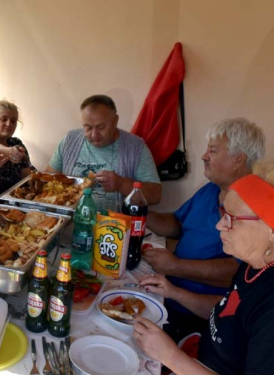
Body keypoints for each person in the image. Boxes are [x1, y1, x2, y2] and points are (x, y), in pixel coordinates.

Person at [135, 160, 274, 375]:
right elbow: (228, 312)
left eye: (232, 219)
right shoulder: (252, 265)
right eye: (223, 214)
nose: (220, 225)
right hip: (199, 352)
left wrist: (170, 356)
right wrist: (174, 292)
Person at [144, 118, 265, 340]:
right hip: (168, 294)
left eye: (213, 151)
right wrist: (142, 213)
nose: (204, 156)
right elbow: (178, 224)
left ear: (238, 159)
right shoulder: (211, 189)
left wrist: (176, 266)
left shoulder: (253, 208)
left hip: (202, 317)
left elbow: (238, 273)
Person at [46, 94, 161, 211]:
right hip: (69, 224)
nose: (94, 134)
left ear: (115, 121)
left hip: (115, 225)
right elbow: (48, 180)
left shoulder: (136, 148)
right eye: (88, 127)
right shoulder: (69, 141)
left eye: (101, 127)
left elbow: (156, 195)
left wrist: (121, 184)